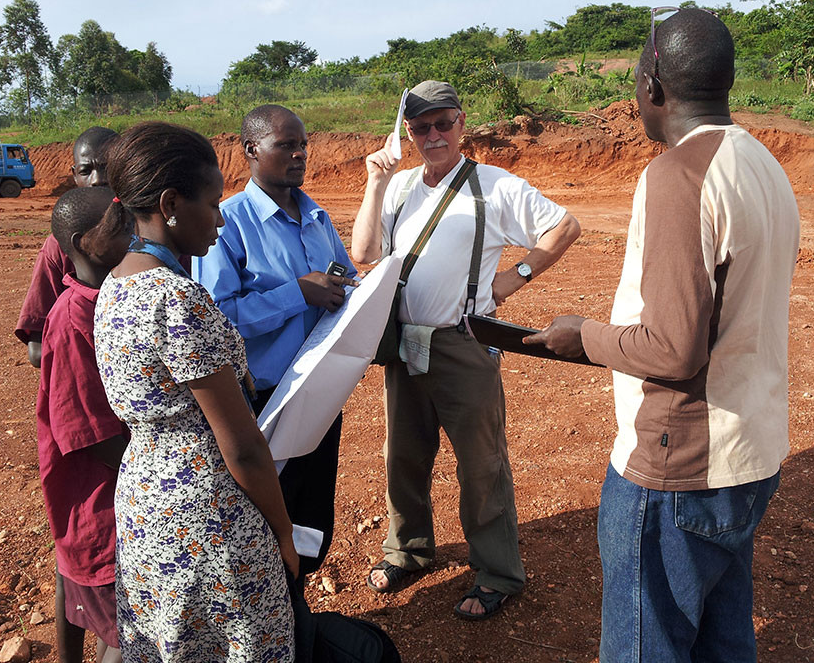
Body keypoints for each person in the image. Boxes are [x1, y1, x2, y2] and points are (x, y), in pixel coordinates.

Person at [524, 9, 800, 662]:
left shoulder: (678, 176)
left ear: (650, 84)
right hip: (750, 455)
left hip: (680, 470)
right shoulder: (762, 162)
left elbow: (674, 350)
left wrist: (582, 336)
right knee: (724, 641)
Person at [351, 80, 581, 620]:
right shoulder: (400, 187)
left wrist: (513, 278)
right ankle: (408, 550)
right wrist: (374, 183)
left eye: (443, 123)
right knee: (403, 456)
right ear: (408, 132)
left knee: (481, 465)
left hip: (464, 344)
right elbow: (363, 254)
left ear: (461, 125)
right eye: (421, 126)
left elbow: (564, 225)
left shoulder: (494, 186)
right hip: (404, 344)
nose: (433, 135)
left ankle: (497, 572)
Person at [90, 122, 295, 662]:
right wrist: (283, 534)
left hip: (144, 501)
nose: (221, 219)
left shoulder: (114, 285)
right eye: (212, 203)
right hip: (208, 513)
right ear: (170, 203)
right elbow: (243, 447)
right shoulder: (178, 300)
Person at [194, 104, 357, 586]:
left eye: (303, 144)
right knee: (266, 518)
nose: (299, 154)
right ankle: (273, 618)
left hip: (321, 392)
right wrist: (297, 294)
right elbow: (217, 318)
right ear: (250, 150)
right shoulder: (227, 223)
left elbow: (345, 279)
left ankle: (297, 608)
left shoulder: (317, 216)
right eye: (285, 145)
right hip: (263, 402)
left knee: (311, 512)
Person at [36, 186, 131, 663]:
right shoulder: (73, 316)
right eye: (119, 227)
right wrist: (152, 469)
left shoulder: (108, 298)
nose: (132, 233)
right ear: (79, 243)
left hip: (116, 496)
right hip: (101, 503)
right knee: (124, 632)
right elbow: (91, 434)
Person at [15, 126, 118, 367]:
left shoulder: (151, 232)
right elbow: (37, 350)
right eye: (86, 170)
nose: (98, 180)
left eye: (108, 168)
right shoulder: (58, 245)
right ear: (74, 176)